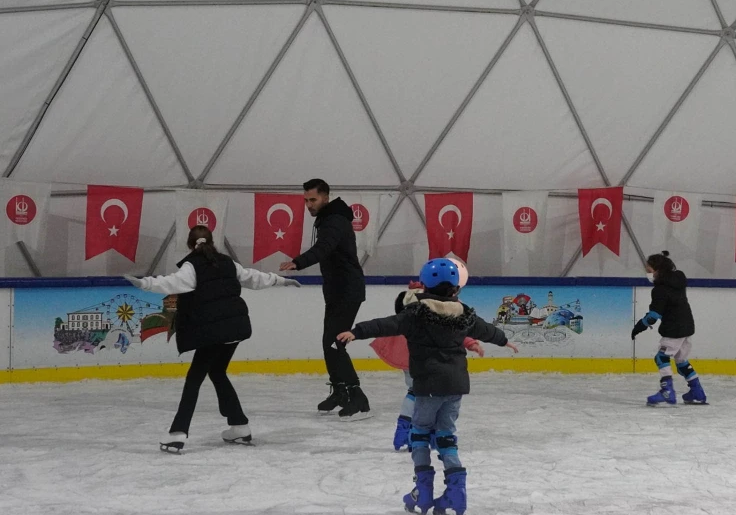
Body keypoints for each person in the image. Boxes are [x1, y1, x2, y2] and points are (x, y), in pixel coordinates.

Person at [337, 258, 518, 515]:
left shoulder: (416, 313)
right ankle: (456, 493)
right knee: (446, 435)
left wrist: (357, 331)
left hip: (428, 386)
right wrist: (504, 340)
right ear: (456, 288)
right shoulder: (464, 314)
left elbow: (387, 324)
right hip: (455, 387)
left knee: (420, 434)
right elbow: (486, 330)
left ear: (424, 285)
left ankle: (422, 490)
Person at [125, 225, 301, 453]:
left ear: (190, 244)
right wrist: (280, 280)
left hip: (214, 332)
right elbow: (253, 277)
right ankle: (239, 425)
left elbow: (172, 282)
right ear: (212, 241)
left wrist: (145, 283)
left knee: (194, 379)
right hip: (235, 328)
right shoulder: (228, 262)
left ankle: (177, 433)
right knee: (217, 372)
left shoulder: (192, 265)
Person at [279, 179, 369, 418]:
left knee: (335, 342)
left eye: (313, 200)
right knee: (328, 342)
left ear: (326, 198)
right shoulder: (328, 219)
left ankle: (357, 396)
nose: (309, 205)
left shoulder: (334, 221)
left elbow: (323, 248)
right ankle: (340, 391)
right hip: (338, 289)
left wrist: (298, 262)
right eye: (306, 200)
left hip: (347, 290)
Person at [372, 278, 485, 452]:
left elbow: (393, 323)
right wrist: (471, 343)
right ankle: (423, 431)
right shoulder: (439, 304)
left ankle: (407, 426)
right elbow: (456, 327)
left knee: (416, 391)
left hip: (409, 354)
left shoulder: (410, 300)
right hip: (426, 357)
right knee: (429, 394)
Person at [631, 251, 706, 406]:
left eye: (649, 271)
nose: (648, 274)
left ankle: (667, 391)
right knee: (681, 360)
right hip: (687, 326)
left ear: (658, 270)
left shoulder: (659, 290)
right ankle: (697, 392)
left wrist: (639, 326)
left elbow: (653, 315)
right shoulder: (678, 278)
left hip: (673, 328)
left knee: (661, 357)